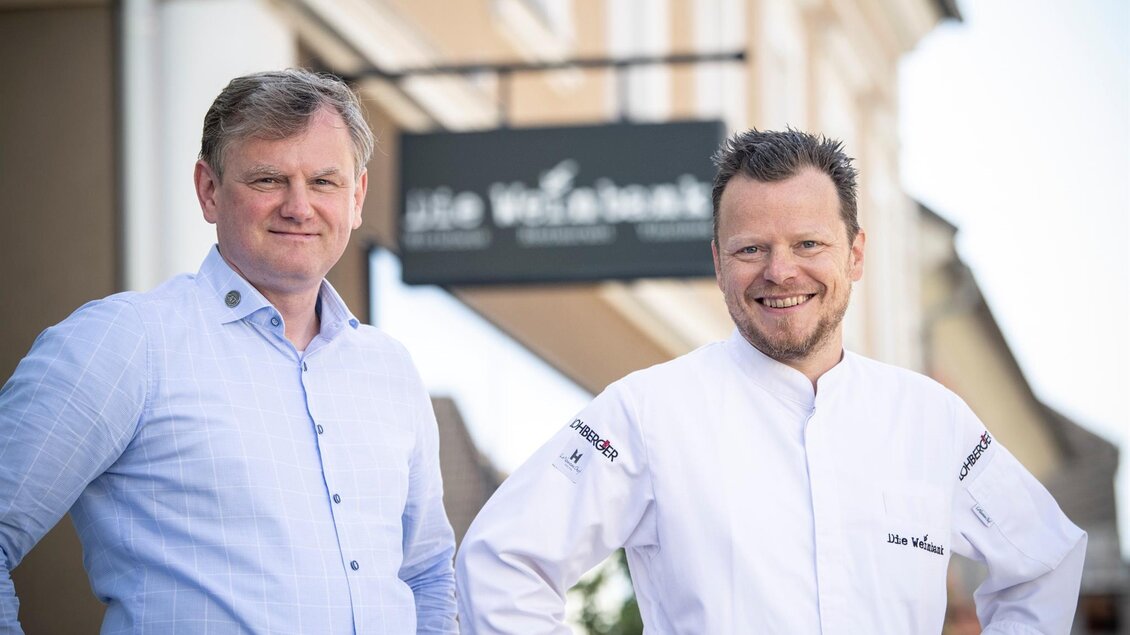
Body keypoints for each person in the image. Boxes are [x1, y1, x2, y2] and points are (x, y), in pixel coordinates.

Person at [455, 129, 1086, 633]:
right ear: (717, 261)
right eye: (751, 249)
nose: (780, 272)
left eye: (809, 243)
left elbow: (1044, 563)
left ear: (856, 254)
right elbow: (501, 564)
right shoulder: (645, 413)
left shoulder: (931, 420)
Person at [0, 69, 457, 634]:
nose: (298, 206)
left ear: (356, 197)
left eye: (324, 182)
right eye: (268, 180)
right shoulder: (127, 341)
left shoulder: (390, 369)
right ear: (209, 190)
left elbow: (427, 574)